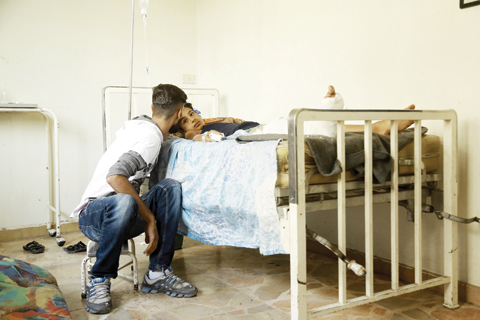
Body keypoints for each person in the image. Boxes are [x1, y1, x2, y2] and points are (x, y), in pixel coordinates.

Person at [71, 84, 197, 315]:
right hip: (94, 215)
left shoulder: (147, 130)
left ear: (152, 108)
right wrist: (149, 219)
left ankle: (157, 273)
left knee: (169, 188)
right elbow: (115, 178)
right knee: (125, 200)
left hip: (123, 214)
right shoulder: (149, 138)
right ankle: (99, 280)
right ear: (180, 113)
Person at [176, 86, 415, 142]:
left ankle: (378, 127)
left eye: (191, 113)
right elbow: (191, 139)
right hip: (252, 138)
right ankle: (378, 127)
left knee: (316, 128)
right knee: (313, 126)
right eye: (185, 121)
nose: (193, 119)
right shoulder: (189, 139)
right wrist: (204, 136)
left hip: (261, 128)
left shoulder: (210, 121)